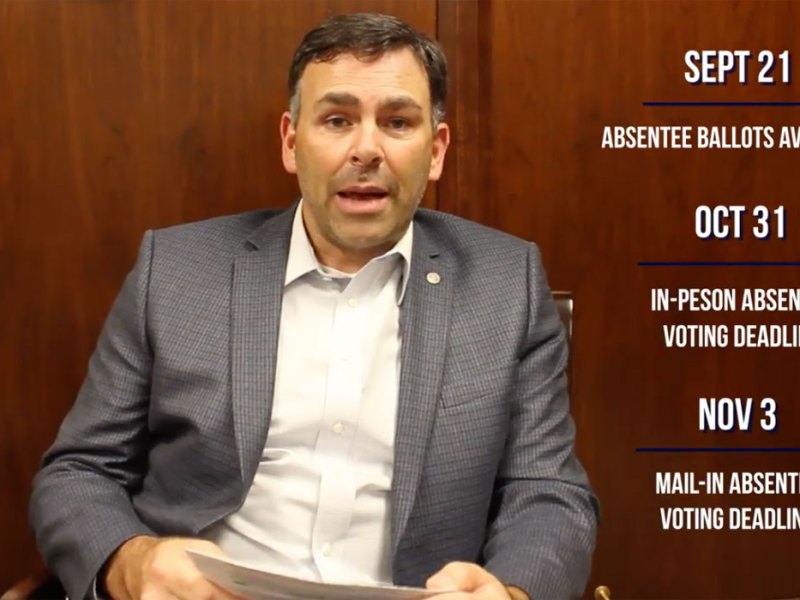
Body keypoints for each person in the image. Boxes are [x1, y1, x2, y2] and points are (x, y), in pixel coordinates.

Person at [30, 13, 598, 600]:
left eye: (397, 122)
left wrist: (511, 594)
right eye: (337, 120)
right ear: (291, 141)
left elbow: (548, 494)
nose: (366, 149)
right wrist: (132, 562)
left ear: (435, 151)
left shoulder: (506, 285)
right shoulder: (176, 271)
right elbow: (79, 472)